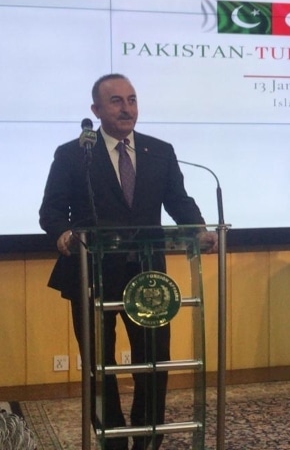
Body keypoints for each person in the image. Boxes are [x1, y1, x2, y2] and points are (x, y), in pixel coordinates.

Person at [39, 73, 217, 450]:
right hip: (91, 273)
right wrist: (64, 235)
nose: (126, 108)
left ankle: (147, 436)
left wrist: (197, 229)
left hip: (147, 275)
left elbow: (179, 202)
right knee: (99, 365)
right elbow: (51, 211)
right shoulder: (73, 154)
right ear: (96, 110)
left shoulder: (160, 151)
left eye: (132, 100)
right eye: (117, 101)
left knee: (154, 361)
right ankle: (111, 438)